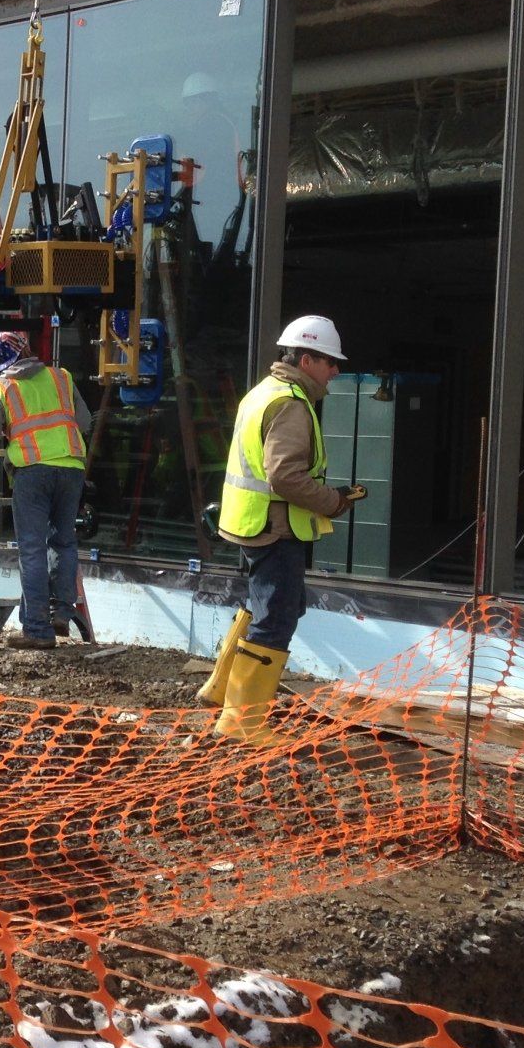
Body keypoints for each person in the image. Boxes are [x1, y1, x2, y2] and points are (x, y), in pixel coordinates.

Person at [201, 315, 364, 744]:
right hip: (276, 529)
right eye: (330, 362)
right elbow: (286, 477)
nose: (336, 371)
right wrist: (333, 501)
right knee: (276, 617)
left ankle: (221, 689)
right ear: (307, 360)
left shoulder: (264, 392)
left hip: (252, 522)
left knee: (264, 606)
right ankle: (242, 723)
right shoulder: (291, 403)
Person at [0, 331, 91, 649]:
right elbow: (85, 422)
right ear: (28, 349)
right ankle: (62, 610)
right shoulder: (61, 377)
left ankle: (37, 629)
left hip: (32, 472)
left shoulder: (1, 387)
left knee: (32, 550)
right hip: (72, 467)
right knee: (64, 543)